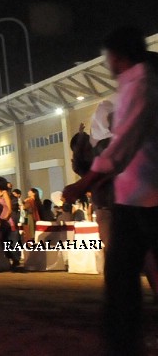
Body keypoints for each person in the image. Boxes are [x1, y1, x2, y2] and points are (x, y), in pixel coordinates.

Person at [63, 27, 158, 356]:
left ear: (118, 56)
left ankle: (123, 344)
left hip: (144, 199)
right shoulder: (141, 80)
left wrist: (84, 183)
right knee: (127, 274)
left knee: (122, 277)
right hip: (134, 197)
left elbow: (123, 144)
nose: (108, 63)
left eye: (109, 57)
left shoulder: (141, 82)